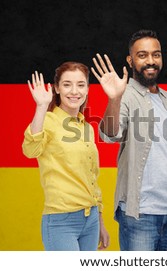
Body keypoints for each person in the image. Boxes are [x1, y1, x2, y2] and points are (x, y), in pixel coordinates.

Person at [91, 29, 167, 251]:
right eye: (142, 55)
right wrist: (114, 99)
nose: (150, 61)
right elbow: (110, 135)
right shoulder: (125, 96)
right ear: (130, 60)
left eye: (156, 55)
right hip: (139, 215)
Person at [22, 62, 109, 251]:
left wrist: (99, 219)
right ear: (56, 88)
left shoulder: (86, 126)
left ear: (87, 89)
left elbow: (92, 177)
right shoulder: (48, 120)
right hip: (61, 220)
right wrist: (41, 107)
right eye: (67, 84)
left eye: (80, 84)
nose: (74, 91)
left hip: (91, 219)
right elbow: (30, 150)